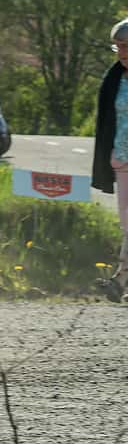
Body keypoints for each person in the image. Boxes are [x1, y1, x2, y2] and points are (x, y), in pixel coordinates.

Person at [92, 17, 128, 295]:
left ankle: (120, 280)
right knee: (127, 223)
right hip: (122, 159)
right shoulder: (114, 78)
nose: (122, 52)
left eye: (126, 46)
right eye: (117, 47)